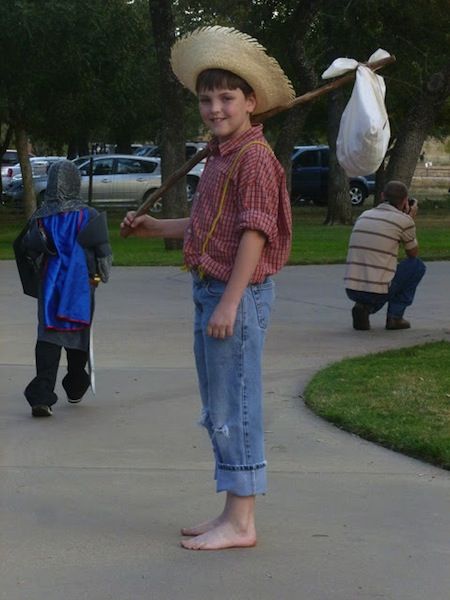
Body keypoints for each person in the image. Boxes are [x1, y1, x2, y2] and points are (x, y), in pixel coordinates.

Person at [120, 26, 294, 550]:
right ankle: (230, 511)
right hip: (211, 290)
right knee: (219, 403)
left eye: (226, 98)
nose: (215, 108)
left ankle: (242, 523)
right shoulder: (221, 154)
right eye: (206, 99)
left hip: (232, 295)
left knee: (234, 404)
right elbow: (208, 225)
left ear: (251, 102)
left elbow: (254, 233)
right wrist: (156, 229)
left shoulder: (254, 158)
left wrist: (231, 301)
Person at [14, 160, 112, 417]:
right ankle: (75, 383)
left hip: (50, 288)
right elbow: (102, 252)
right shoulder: (87, 215)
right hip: (81, 286)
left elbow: (27, 248)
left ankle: (42, 395)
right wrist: (103, 271)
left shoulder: (40, 216)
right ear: (75, 182)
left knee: (48, 336)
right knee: (77, 333)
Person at [345, 180, 426, 331]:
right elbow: (413, 254)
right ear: (404, 201)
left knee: (384, 268)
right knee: (416, 266)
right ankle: (394, 317)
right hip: (376, 291)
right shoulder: (404, 221)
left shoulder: (364, 215)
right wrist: (410, 219)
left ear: (382, 196)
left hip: (352, 287)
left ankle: (362, 306)